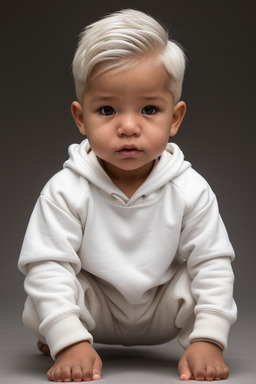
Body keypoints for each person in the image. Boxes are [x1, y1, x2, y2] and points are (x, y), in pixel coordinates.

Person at [18, 9, 237, 382]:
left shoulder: (190, 188)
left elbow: (212, 262)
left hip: (163, 309)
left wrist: (210, 338)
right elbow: (47, 264)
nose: (129, 127)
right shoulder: (65, 189)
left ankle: (201, 341)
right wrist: (67, 338)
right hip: (94, 307)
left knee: (201, 273)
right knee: (43, 295)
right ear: (80, 118)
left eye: (150, 109)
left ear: (176, 118)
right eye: (107, 110)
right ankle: (67, 339)